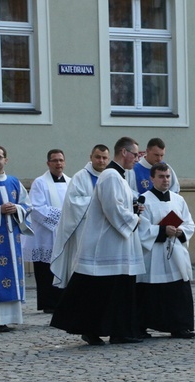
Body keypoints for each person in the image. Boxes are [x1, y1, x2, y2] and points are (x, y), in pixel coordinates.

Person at [51, 137, 145, 345]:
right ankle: (97, 330)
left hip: (115, 245)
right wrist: (135, 218)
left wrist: (135, 208)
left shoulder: (119, 176)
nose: (137, 159)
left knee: (113, 292)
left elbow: (121, 205)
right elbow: (113, 209)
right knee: (99, 291)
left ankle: (116, 331)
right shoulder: (111, 176)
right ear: (123, 152)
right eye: (135, 154)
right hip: (106, 246)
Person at [136, 162, 195, 339]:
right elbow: (141, 228)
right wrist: (162, 230)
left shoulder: (179, 200)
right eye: (161, 176)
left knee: (178, 290)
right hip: (154, 253)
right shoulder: (144, 200)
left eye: (167, 176)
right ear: (152, 178)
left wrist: (181, 231)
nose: (165, 180)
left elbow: (189, 223)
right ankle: (143, 326)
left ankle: (180, 326)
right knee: (151, 292)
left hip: (175, 251)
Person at [0, 146, 32, 331]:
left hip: (12, 239)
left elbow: (27, 206)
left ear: (6, 160)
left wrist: (16, 209)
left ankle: (12, 317)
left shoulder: (14, 182)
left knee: (13, 277)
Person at [50, 145, 110, 289]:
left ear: (108, 159)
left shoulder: (110, 177)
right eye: (97, 157)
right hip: (84, 232)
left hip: (104, 232)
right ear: (91, 157)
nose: (101, 161)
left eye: (104, 158)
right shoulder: (80, 177)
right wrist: (97, 201)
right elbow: (72, 203)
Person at [22, 149, 70, 313]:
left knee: (64, 267)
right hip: (46, 235)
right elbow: (36, 207)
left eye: (61, 160)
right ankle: (48, 303)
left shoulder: (71, 182)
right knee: (45, 270)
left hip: (65, 233)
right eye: (55, 160)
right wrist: (61, 216)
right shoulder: (40, 182)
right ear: (48, 163)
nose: (58, 164)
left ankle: (63, 300)